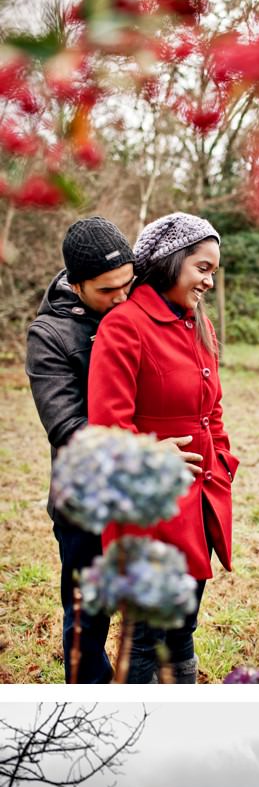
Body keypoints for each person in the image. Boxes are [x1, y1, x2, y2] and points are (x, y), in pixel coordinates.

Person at [24, 215, 200, 682]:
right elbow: (68, 428)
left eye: (128, 284)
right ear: (76, 285)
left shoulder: (141, 307)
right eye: (107, 290)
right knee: (88, 622)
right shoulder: (49, 336)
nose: (122, 297)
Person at [87, 212, 234, 684]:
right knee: (147, 636)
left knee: (184, 625)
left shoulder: (199, 325)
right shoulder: (124, 325)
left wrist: (222, 462)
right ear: (171, 262)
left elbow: (212, 408)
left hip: (200, 501)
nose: (209, 281)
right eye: (202, 268)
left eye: (214, 271)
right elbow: (106, 427)